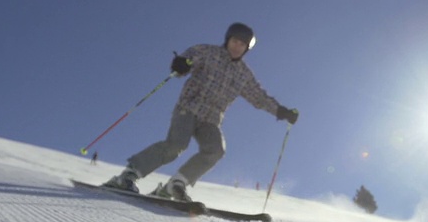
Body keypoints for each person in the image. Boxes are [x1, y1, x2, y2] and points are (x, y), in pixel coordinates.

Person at [104, 23, 299, 201]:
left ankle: (175, 185)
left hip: (212, 119)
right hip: (189, 108)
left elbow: (259, 97)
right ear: (228, 39)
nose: (236, 46)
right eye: (234, 41)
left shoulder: (244, 74)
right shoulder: (208, 52)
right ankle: (128, 175)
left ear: (247, 48)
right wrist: (182, 64)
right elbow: (189, 58)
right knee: (176, 145)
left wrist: (281, 111)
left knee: (216, 150)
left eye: (242, 44)